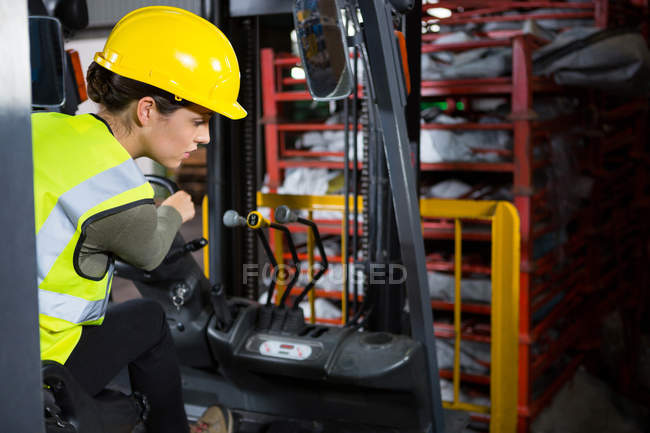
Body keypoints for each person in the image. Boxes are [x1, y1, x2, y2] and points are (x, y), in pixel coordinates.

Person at [32, 6, 245, 433]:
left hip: (12, 339)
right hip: (36, 364)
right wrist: (171, 212)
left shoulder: (42, 126)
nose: (205, 137)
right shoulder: (118, 189)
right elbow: (149, 253)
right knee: (148, 318)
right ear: (146, 110)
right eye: (198, 121)